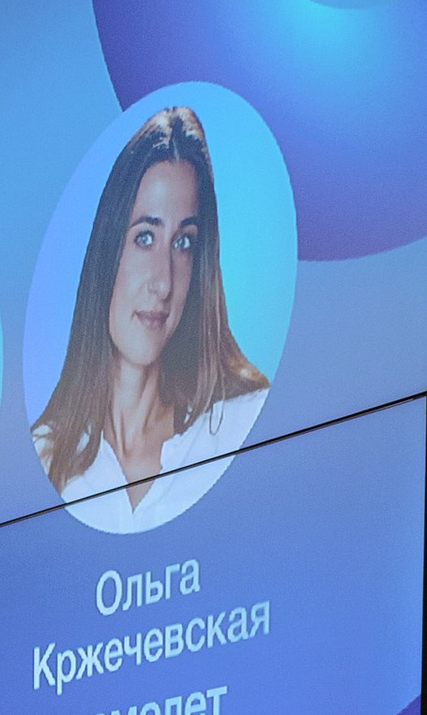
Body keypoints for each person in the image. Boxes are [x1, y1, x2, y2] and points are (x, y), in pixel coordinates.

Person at [33, 104, 270, 531]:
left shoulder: (246, 425)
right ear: (106, 251)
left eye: (183, 243)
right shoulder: (43, 461)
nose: (163, 282)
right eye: (145, 237)